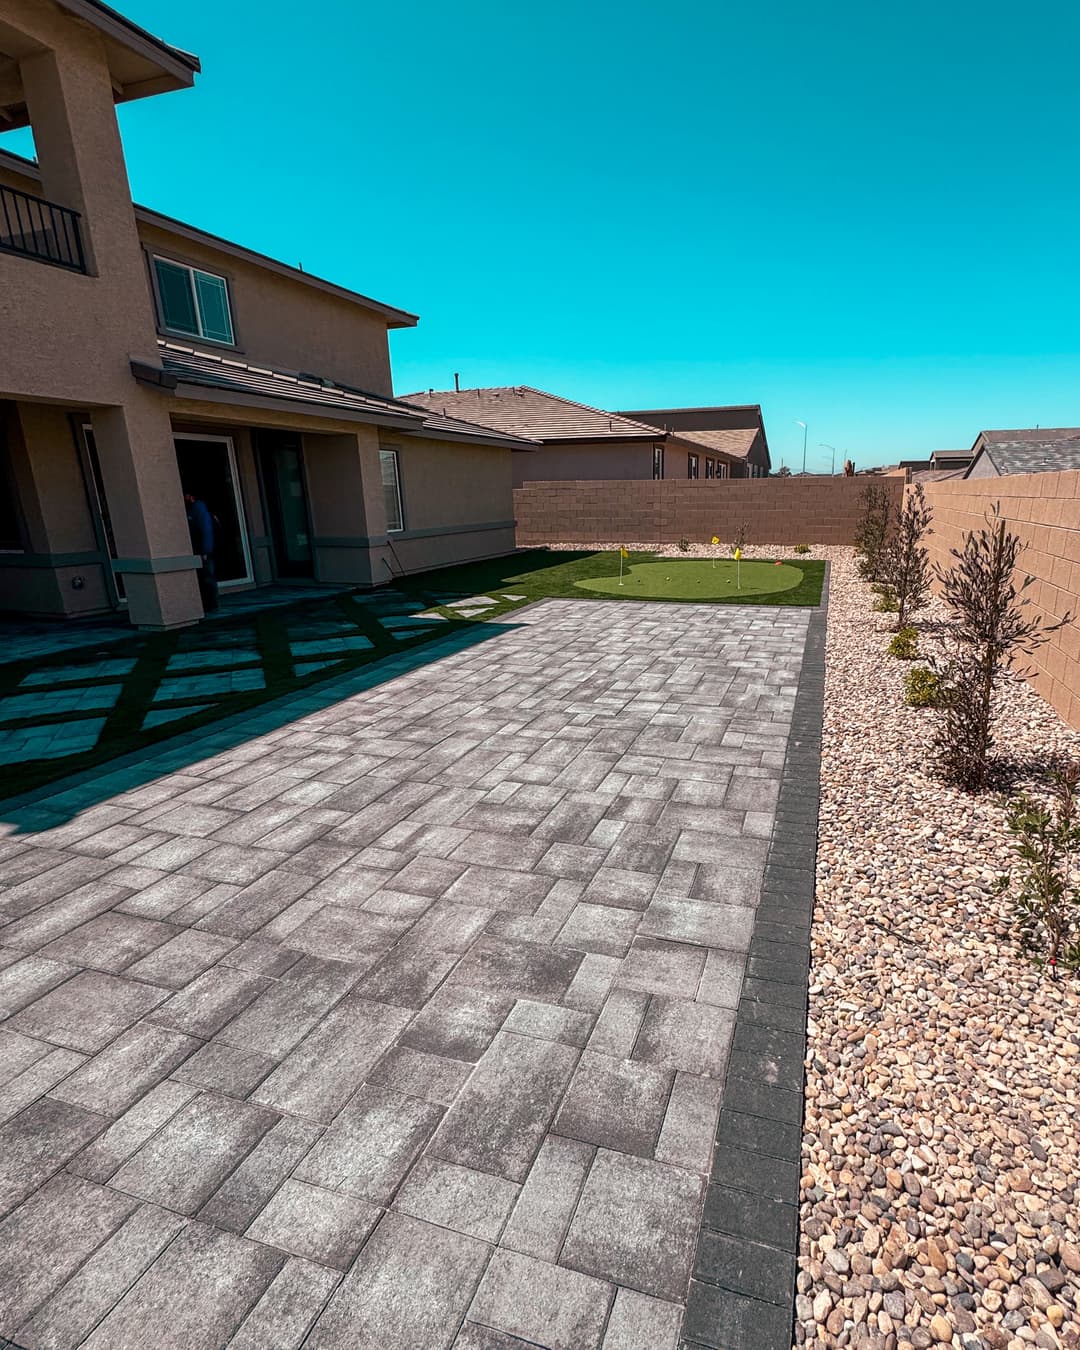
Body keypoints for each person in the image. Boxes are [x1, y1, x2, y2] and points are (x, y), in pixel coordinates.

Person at [184, 491, 219, 612]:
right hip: (199, 549)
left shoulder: (198, 508)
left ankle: (211, 604)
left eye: (187, 495)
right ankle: (207, 604)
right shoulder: (192, 509)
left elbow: (206, 530)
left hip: (203, 550)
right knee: (204, 577)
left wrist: (205, 551)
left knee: (207, 577)